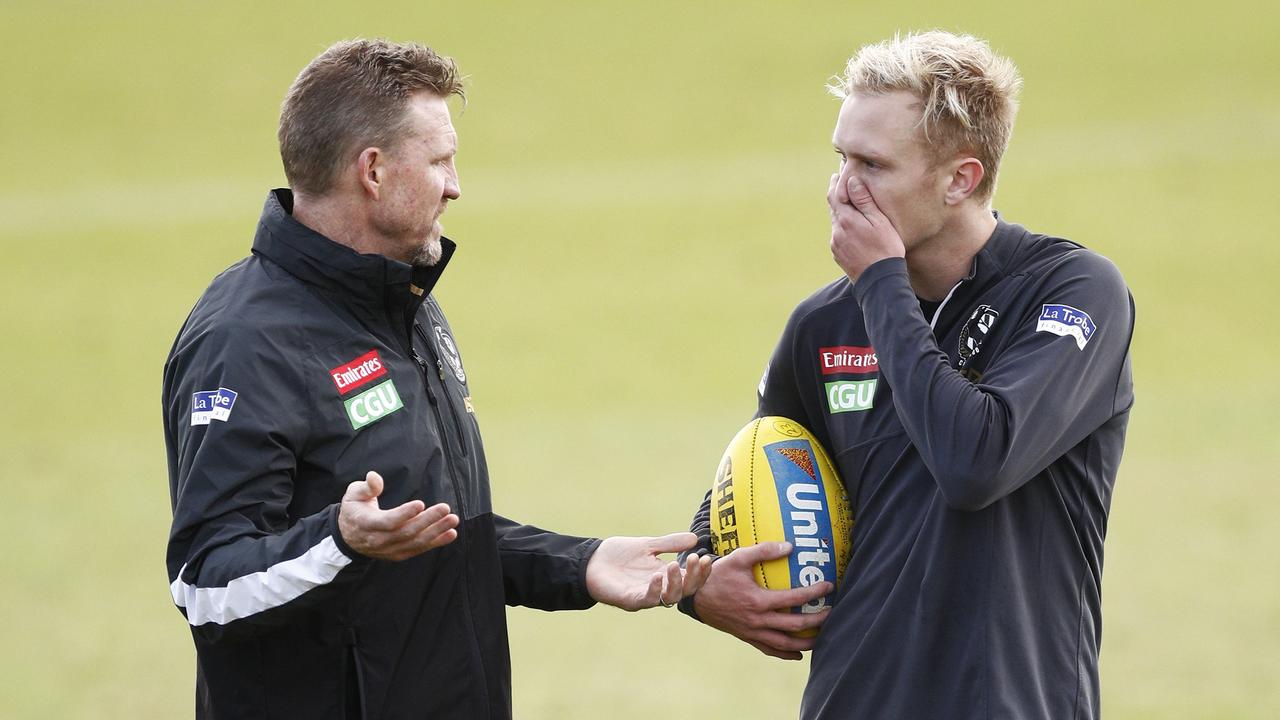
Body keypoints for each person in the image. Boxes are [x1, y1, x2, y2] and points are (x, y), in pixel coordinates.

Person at [162, 39, 712, 720]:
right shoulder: (243, 342)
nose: (456, 185)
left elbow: (427, 530)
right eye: (441, 161)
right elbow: (206, 588)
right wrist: (336, 541)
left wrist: (580, 564)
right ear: (373, 171)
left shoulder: (400, 302)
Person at [680, 31, 1135, 719]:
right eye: (840, 158)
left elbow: (976, 462)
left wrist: (881, 285)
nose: (841, 189)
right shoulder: (824, 326)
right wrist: (699, 588)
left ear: (961, 179)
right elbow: (739, 489)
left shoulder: (1072, 293)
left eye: (872, 165)